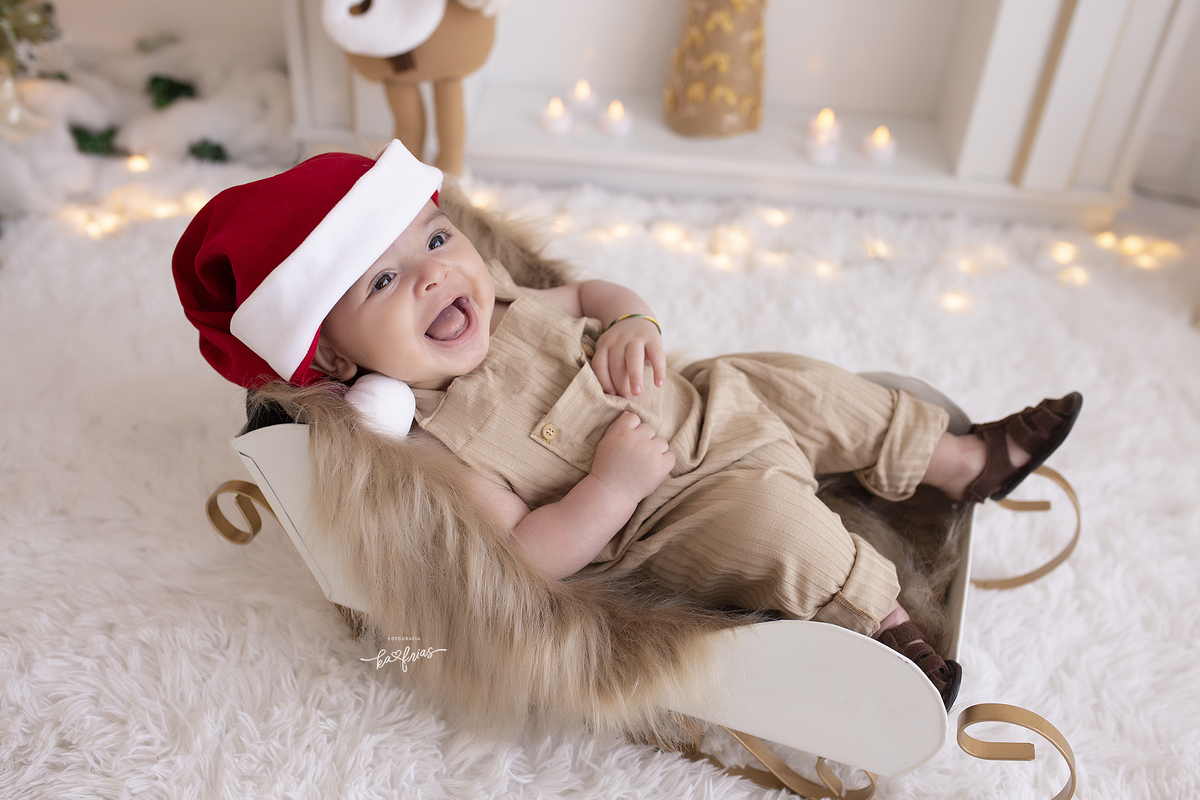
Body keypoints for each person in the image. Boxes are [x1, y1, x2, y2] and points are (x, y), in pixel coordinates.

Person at [174, 141, 1082, 711]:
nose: (432, 276)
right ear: (334, 362)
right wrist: (611, 487)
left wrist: (634, 323)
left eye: (435, 240)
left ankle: (967, 459)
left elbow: (595, 294)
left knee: (808, 384)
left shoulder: (511, 296)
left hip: (709, 402)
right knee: (779, 530)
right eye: (380, 282)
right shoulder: (428, 442)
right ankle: (889, 629)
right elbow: (527, 557)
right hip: (668, 512)